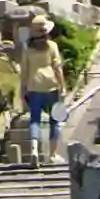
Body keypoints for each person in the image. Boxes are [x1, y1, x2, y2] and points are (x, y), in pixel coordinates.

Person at [17, 15, 68, 167]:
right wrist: (63, 86)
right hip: (51, 85)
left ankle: (34, 150)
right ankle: (52, 155)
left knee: (35, 120)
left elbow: (24, 71)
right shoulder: (52, 46)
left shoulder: (28, 48)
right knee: (55, 120)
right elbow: (57, 68)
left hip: (34, 85)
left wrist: (23, 89)